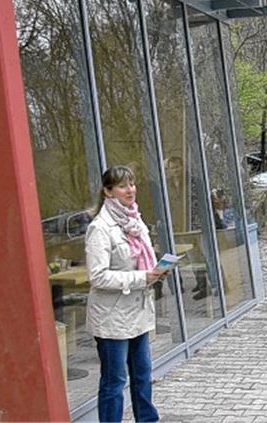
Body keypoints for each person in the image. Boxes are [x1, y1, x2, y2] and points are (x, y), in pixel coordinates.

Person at [85, 165, 165, 422]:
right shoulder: (100, 228)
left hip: (138, 311)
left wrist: (157, 271)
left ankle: (147, 419)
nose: (130, 190)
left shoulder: (135, 219)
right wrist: (142, 277)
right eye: (122, 185)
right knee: (114, 380)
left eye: (131, 183)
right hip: (112, 317)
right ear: (108, 192)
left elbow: (140, 258)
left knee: (142, 374)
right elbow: (97, 276)